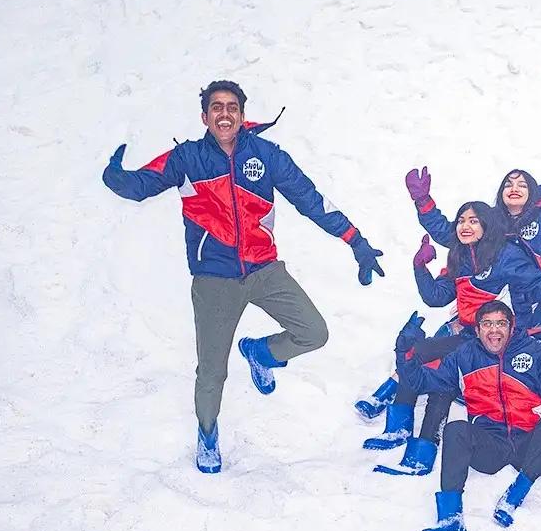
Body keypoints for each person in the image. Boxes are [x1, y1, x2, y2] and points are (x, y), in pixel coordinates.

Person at [101, 80, 384, 474]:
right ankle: (207, 433)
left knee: (314, 332)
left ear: (242, 114)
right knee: (212, 371)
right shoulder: (187, 159)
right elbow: (142, 185)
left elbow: (310, 198)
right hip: (214, 279)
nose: (224, 114)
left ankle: (262, 353)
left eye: (231, 107)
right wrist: (117, 177)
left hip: (264, 268)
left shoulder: (267, 156)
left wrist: (355, 239)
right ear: (205, 117)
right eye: (216, 107)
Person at [367, 202, 541, 476]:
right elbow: (436, 297)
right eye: (461, 221)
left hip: (504, 339)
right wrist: (420, 267)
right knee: (420, 353)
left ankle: (420, 451)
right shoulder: (461, 259)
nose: (465, 226)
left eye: (473, 221)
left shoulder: (506, 254)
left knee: (442, 366)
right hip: (473, 337)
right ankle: (403, 433)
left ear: (487, 225)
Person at [394, 301, 541, 531]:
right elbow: (419, 382)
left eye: (501, 323)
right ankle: (450, 519)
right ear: (477, 330)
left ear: (511, 327)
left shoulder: (531, 350)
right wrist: (405, 354)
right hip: (491, 445)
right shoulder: (463, 357)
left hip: (528, 447)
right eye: (487, 324)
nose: (494, 330)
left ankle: (516, 493)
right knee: (456, 429)